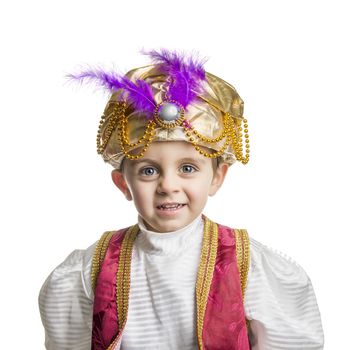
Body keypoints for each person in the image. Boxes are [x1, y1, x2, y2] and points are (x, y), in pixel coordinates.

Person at [38, 49, 324, 350]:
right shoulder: (90, 269)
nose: (168, 185)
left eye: (187, 168)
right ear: (124, 184)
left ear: (217, 177)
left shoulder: (247, 263)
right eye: (148, 171)